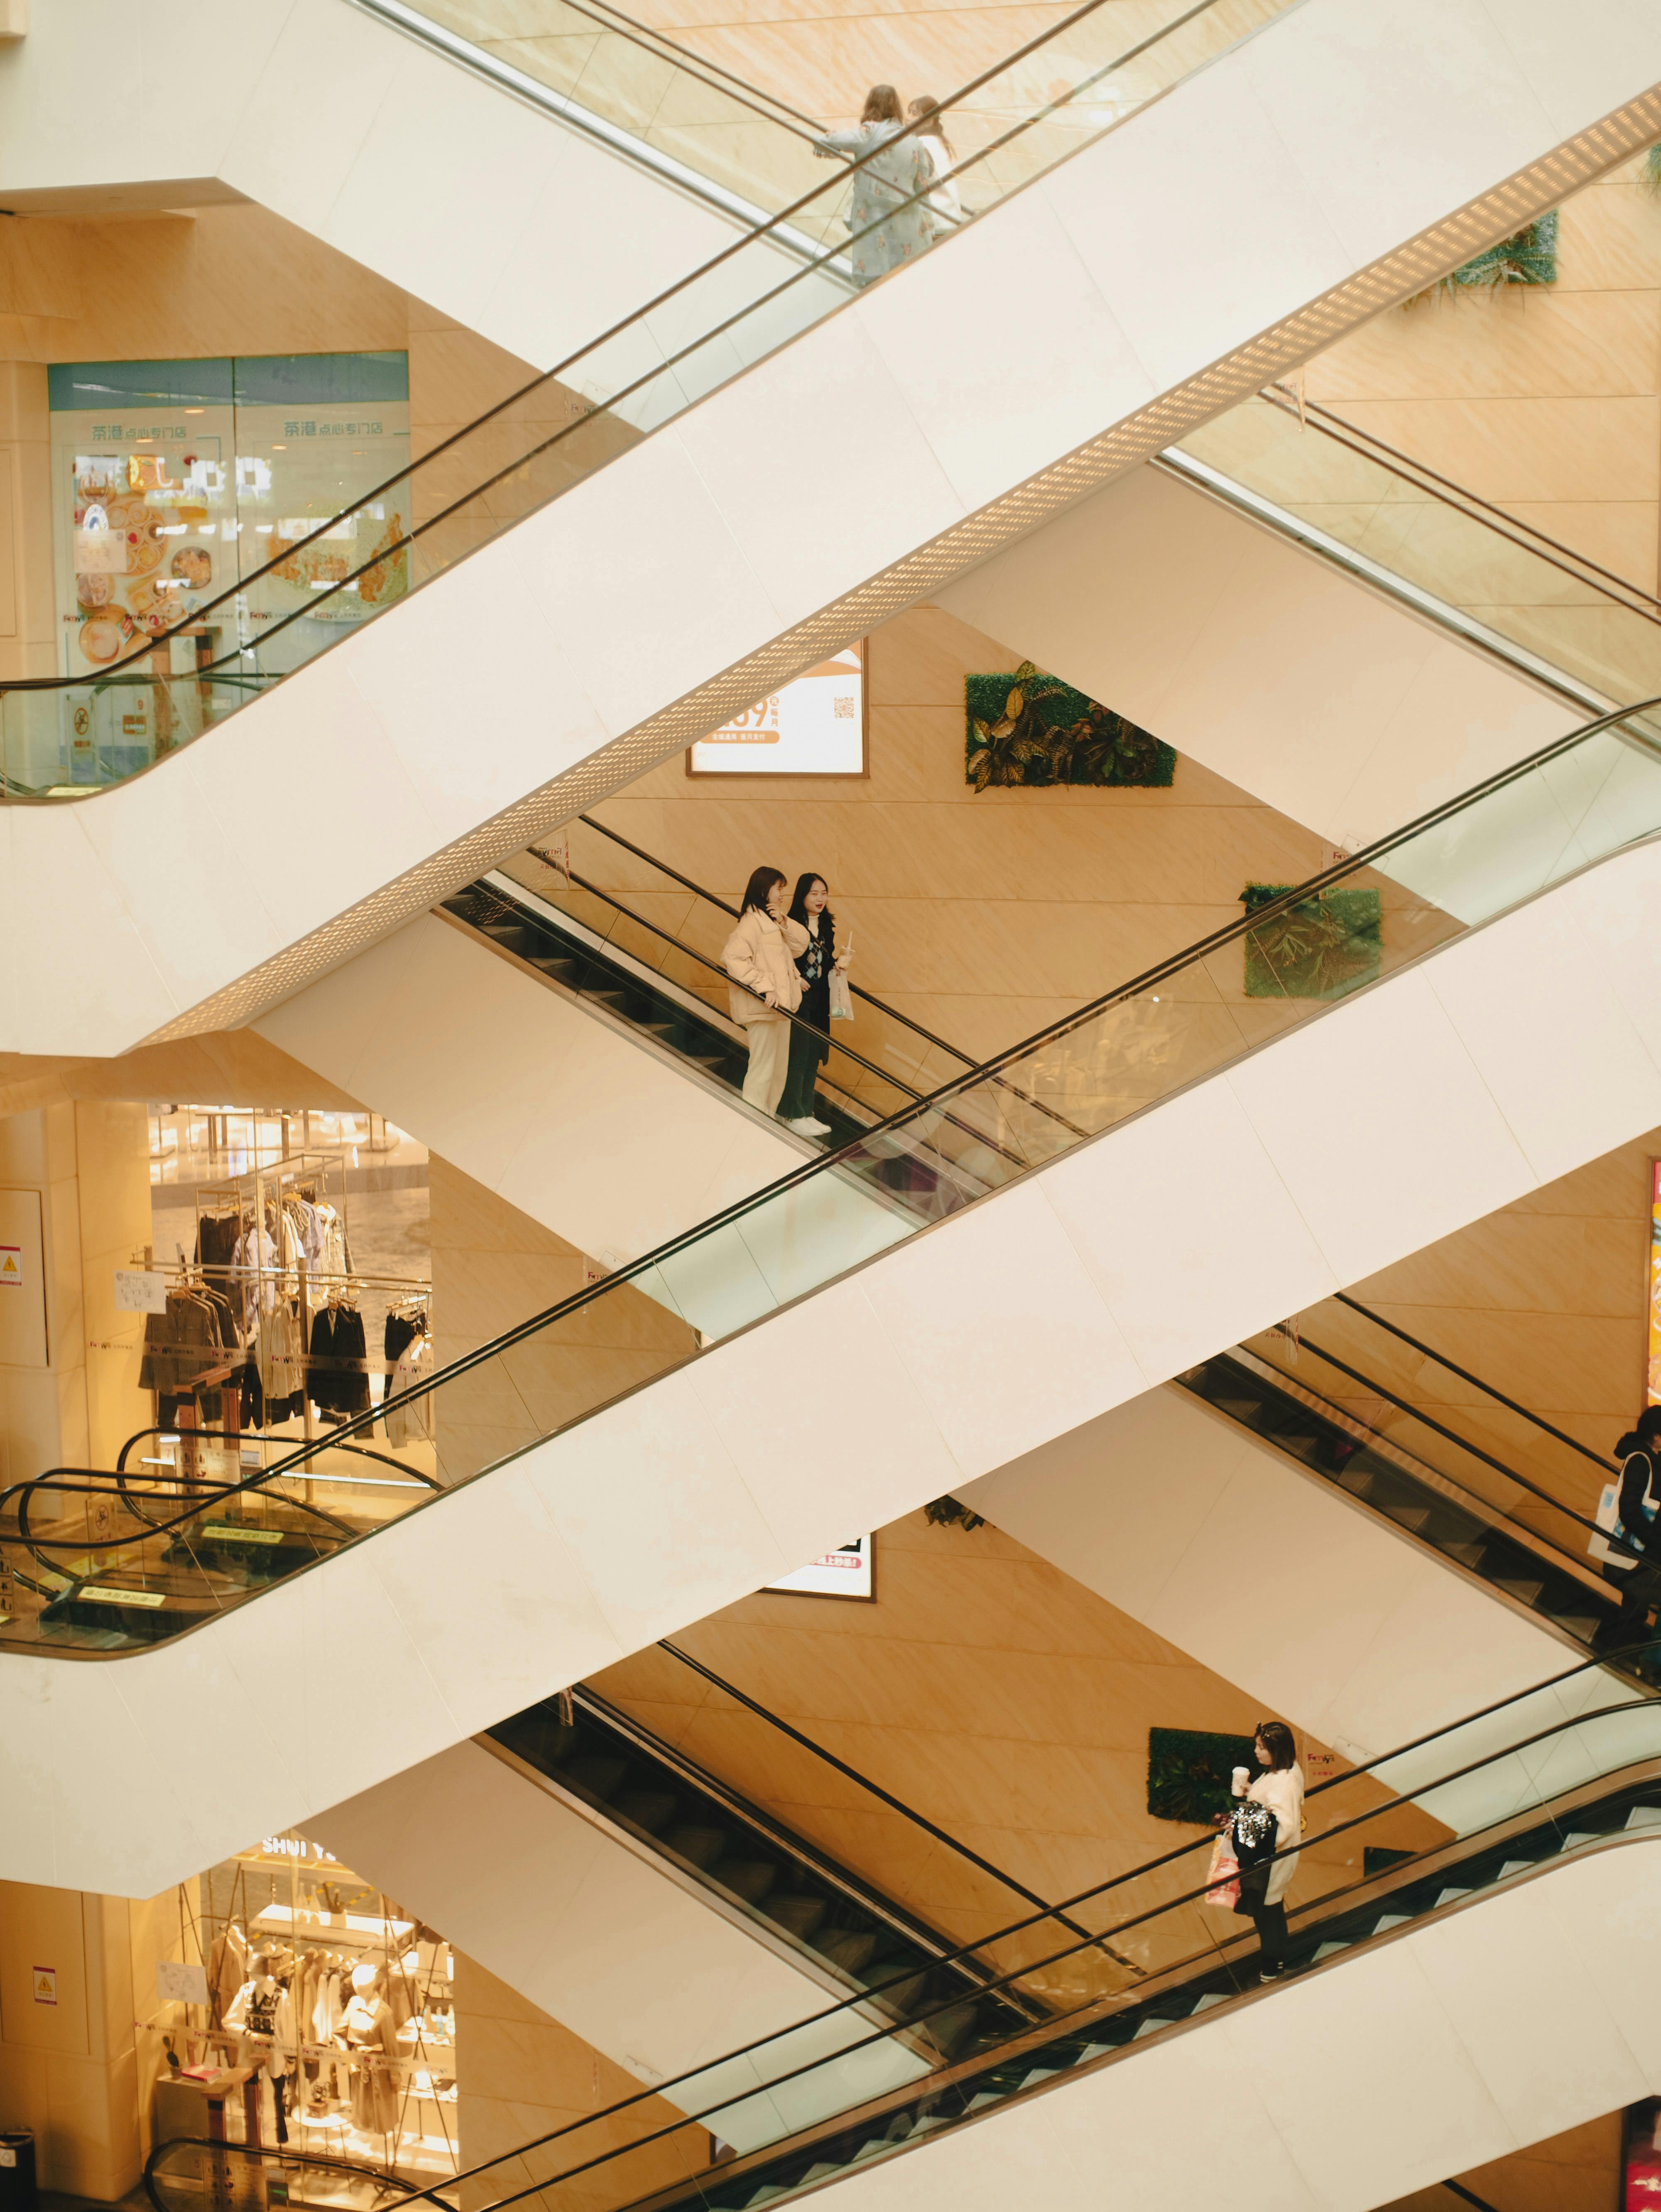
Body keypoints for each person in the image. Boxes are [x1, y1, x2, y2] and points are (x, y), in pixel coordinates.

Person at [813, 85, 936, 286]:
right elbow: (924, 184)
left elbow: (824, 140)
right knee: (907, 283)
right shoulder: (914, 142)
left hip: (874, 223)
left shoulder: (868, 133)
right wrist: (929, 227)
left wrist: (827, 140)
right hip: (910, 228)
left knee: (877, 287)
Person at [723, 866, 808, 1115]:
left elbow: (800, 946)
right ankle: (753, 1122)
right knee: (763, 1069)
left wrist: (783, 920)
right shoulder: (751, 924)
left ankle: (766, 1120)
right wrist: (765, 988)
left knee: (777, 1071)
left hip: (780, 1009)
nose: (783, 894)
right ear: (764, 889)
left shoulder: (770, 921)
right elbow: (734, 959)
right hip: (764, 1008)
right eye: (779, 888)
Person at [777, 872, 851, 1136]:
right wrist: (794, 980)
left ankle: (806, 1111)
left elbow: (825, 960)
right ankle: (791, 1113)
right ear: (802, 896)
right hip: (799, 999)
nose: (820, 899)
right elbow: (781, 960)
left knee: (813, 1056)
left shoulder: (826, 926)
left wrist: (838, 964)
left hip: (820, 999)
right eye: (814, 894)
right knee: (797, 1055)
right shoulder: (791, 923)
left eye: (824, 893)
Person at [1230, 1720, 1304, 1983]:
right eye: (1257, 1746)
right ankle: (1275, 1960)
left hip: (1272, 1860)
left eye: (1262, 1747)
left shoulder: (1283, 1782)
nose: (1256, 1752)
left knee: (1268, 1912)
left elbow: (1283, 1826)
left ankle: (1273, 1965)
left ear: (1277, 1749)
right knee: (1269, 1909)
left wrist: (1245, 1822)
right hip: (1273, 1858)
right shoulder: (1282, 1770)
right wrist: (1253, 1795)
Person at [1595, 1404, 1661, 1660]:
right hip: (1637, 1550)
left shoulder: (1652, 1459)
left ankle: (1623, 1661)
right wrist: (1654, 1541)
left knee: (1634, 1610)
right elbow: (1630, 1510)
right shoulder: (1641, 1462)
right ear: (1656, 1436)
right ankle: (1625, 1661)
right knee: (1635, 1610)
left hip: (1642, 1551)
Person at [907, 96, 962, 230]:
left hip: (935, 219)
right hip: (948, 216)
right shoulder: (938, 141)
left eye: (914, 114)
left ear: (929, 122)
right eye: (908, 112)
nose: (907, 118)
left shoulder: (924, 143)